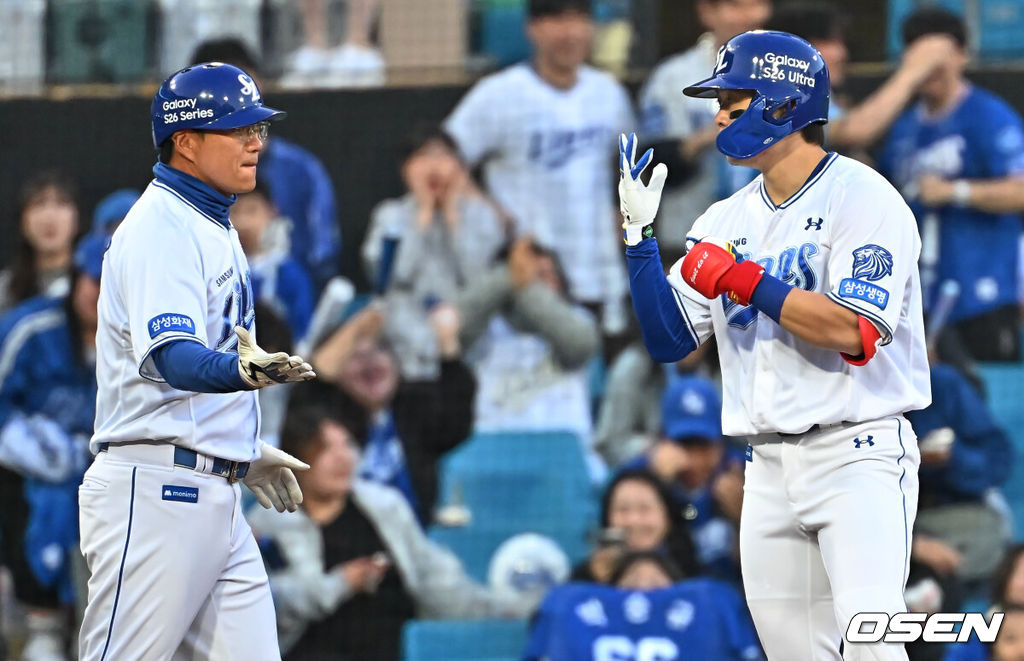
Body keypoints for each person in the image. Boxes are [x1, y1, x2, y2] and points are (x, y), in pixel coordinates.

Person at [618, 29, 930, 660]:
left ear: (783, 103)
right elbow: (671, 341)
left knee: (873, 646)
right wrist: (640, 241)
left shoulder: (866, 198)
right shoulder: (724, 218)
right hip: (765, 469)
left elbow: (855, 330)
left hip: (857, 455)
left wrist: (743, 279)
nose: (719, 114)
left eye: (734, 99)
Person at [78, 62, 318, 661]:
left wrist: (237, 449)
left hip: (208, 491)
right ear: (185, 142)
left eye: (256, 128)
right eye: (237, 130)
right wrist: (242, 375)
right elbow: (173, 359)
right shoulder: (161, 227)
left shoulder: (212, 220)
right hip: (157, 493)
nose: (255, 141)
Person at [248, 406, 519, 660]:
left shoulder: (385, 506)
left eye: (348, 444)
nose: (342, 457)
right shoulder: (269, 522)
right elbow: (270, 601)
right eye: (326, 448)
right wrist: (341, 583)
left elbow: (432, 575)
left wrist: (494, 610)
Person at [444, 0, 635, 335]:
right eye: (557, 19)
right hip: (533, 275)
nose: (570, 32)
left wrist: (623, 210)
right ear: (532, 28)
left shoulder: (608, 94)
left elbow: (634, 163)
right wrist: (486, 209)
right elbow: (441, 160)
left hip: (601, 270)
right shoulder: (498, 93)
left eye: (579, 19)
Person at [878, 8, 1024, 363]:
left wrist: (956, 191)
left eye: (941, 57)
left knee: (990, 396)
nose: (933, 70)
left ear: (962, 55)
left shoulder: (989, 115)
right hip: (918, 297)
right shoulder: (903, 128)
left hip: (984, 291)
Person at [0, 238, 102, 661]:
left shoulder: (145, 346)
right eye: (92, 281)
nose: (98, 295)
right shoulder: (32, 327)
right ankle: (39, 619)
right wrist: (46, 449)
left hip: (96, 475)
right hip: (23, 463)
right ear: (77, 280)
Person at [301, 302, 475, 524]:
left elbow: (457, 417)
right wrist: (358, 326)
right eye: (355, 355)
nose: (369, 360)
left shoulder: (414, 407)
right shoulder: (323, 414)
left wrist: (447, 343)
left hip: (408, 543)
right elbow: (312, 382)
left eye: (379, 349)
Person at [191, 39, 342, 292]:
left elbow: (324, 256)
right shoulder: (180, 176)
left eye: (241, 81)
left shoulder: (302, 170)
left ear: (258, 85)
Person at [362, 125, 505, 379]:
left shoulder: (481, 215)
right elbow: (391, 277)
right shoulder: (390, 214)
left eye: (442, 156)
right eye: (423, 157)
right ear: (405, 169)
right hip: (406, 340)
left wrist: (453, 219)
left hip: (468, 337)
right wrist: (423, 216)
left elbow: (479, 281)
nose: (434, 167)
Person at [456, 237, 603, 476]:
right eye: (530, 276)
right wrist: (506, 278)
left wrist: (524, 289)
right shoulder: (484, 329)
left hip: (563, 462)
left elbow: (578, 346)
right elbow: (453, 331)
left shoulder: (579, 319)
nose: (538, 285)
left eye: (546, 275)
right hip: (493, 461)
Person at [636, 0, 770, 254]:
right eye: (736, 5)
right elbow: (649, 166)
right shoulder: (673, 76)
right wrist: (714, 134)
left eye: (756, 4)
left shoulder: (784, 74)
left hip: (767, 243)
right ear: (707, 11)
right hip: (690, 239)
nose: (748, 15)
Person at [765, 3, 960, 154]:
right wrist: (912, 71)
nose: (842, 53)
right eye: (828, 42)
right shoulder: (777, 97)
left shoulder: (818, 95)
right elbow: (853, 132)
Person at [525, 550, 764, 661]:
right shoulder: (566, 605)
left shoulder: (714, 603)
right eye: (630, 586)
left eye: (657, 588)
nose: (642, 600)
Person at [622, 375, 745, 582]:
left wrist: (744, 518)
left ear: (721, 442)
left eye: (703, 445)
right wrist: (655, 487)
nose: (694, 461)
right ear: (662, 441)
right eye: (685, 445)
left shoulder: (744, 474)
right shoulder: (640, 477)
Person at [572, 468, 698, 584]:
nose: (633, 520)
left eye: (644, 509)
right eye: (623, 509)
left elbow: (692, 511)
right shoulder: (585, 579)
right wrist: (592, 577)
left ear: (667, 516)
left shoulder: (692, 572)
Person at [231, 179, 316, 343]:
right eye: (234, 212)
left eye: (251, 211)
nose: (242, 222)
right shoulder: (220, 269)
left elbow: (303, 332)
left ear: (272, 212)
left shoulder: (291, 275)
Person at [0, 171, 79, 315]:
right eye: (38, 204)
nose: (49, 216)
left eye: (61, 203)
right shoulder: (6, 289)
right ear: (22, 221)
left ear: (76, 219)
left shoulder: (90, 284)